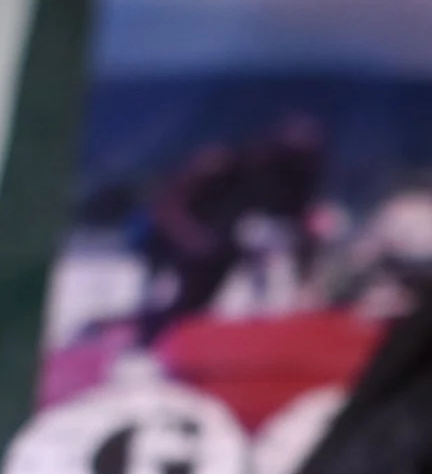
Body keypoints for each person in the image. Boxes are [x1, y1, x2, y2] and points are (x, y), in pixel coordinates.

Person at [135, 117, 328, 344]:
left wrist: (306, 273)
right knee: (180, 306)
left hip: (233, 256)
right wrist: (193, 239)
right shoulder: (223, 163)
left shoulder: (294, 184)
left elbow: (299, 228)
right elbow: (166, 205)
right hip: (181, 251)